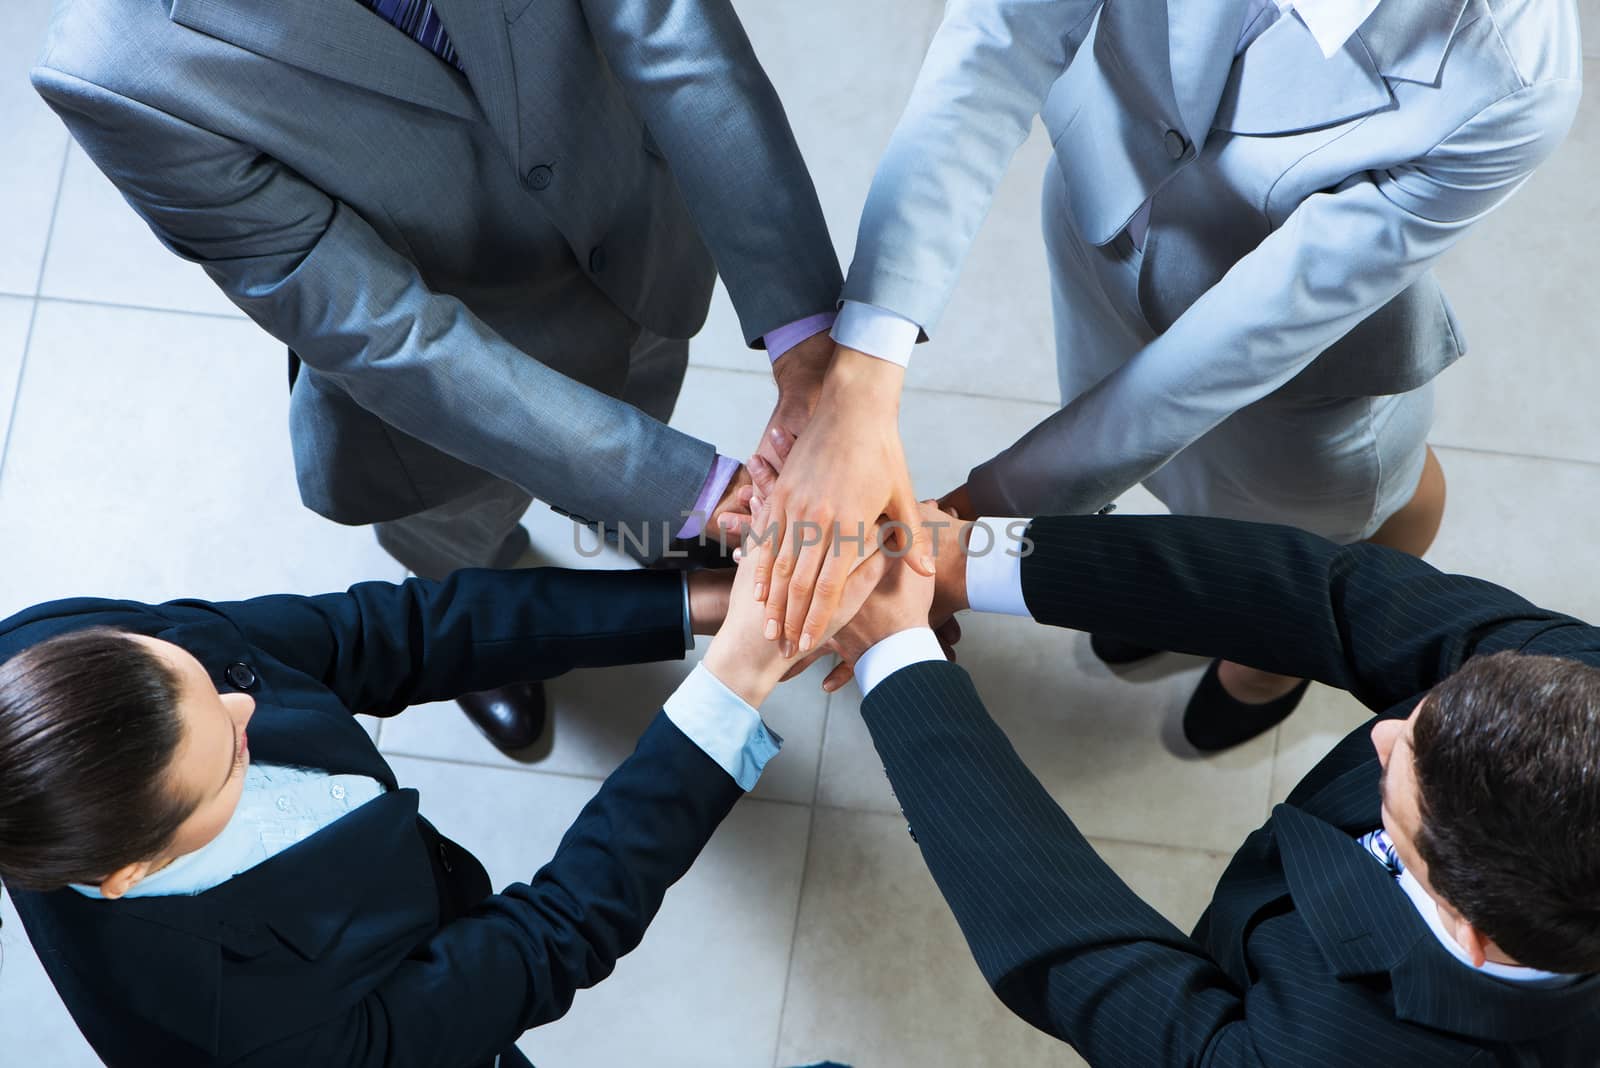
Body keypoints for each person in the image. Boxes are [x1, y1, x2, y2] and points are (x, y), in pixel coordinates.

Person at [747, 0, 1583, 752]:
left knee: (1303, 536)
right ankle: (1156, 593)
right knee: (1121, 478)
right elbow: (996, 39)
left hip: (1295, 369)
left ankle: (1264, 672)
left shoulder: (1514, 77)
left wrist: (964, 521)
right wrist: (860, 381)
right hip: (1102, 220)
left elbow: (1245, 337)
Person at [31, 0, 844, 751]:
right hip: (443, 405)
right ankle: (494, 640)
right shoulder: (117, 71)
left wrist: (804, 337)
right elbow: (379, 329)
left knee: (646, 430)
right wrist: (702, 489)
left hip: (634, 240)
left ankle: (651, 529)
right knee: (462, 542)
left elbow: (671, 29)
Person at [0, 549, 886, 1067]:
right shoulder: (258, 1031)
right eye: (230, 756)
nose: (248, 710)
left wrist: (703, 603)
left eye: (207, 684)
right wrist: (730, 687)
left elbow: (386, 634)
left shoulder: (52, 655)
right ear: (129, 872)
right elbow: (551, 937)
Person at [817, 504, 1600, 1064]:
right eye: (1425, 712)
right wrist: (963, 556)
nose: (1383, 733)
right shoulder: (1574, 682)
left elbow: (1091, 960)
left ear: (1472, 931)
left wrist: (898, 659)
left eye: (1402, 785)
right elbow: (1326, 596)